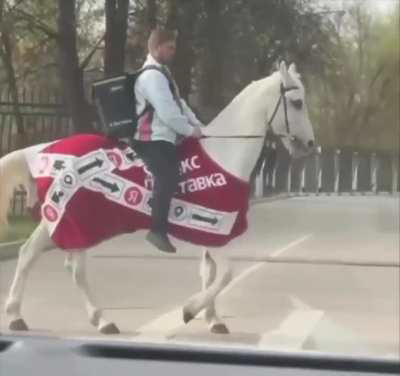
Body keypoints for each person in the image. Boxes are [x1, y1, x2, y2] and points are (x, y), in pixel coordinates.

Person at [132, 28, 203, 253]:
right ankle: (157, 230)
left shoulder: (163, 74)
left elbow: (179, 104)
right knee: (168, 176)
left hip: (165, 137)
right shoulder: (152, 76)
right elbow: (167, 112)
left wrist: (199, 125)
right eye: (169, 47)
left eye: (174, 47)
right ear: (156, 47)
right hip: (150, 138)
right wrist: (190, 131)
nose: (173, 51)